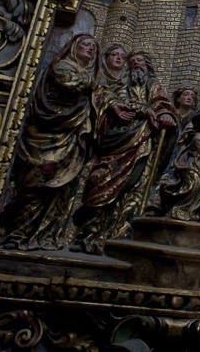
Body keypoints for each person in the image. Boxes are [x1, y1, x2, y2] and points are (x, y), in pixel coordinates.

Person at [0, 33, 100, 250]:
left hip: (72, 138)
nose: (90, 49)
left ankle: (46, 235)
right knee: (37, 183)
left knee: (62, 189)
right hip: (48, 134)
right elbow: (70, 83)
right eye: (85, 45)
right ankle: (17, 234)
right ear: (73, 47)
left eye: (93, 47)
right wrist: (93, 83)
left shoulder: (87, 73)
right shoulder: (62, 66)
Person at [76, 46, 169, 253]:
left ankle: (113, 235)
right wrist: (143, 110)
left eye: (140, 61)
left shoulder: (153, 86)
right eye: (132, 61)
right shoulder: (120, 84)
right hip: (115, 139)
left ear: (147, 65)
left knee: (131, 186)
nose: (136, 64)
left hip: (140, 142)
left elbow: (162, 105)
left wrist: (165, 114)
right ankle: (87, 233)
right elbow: (114, 100)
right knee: (99, 180)